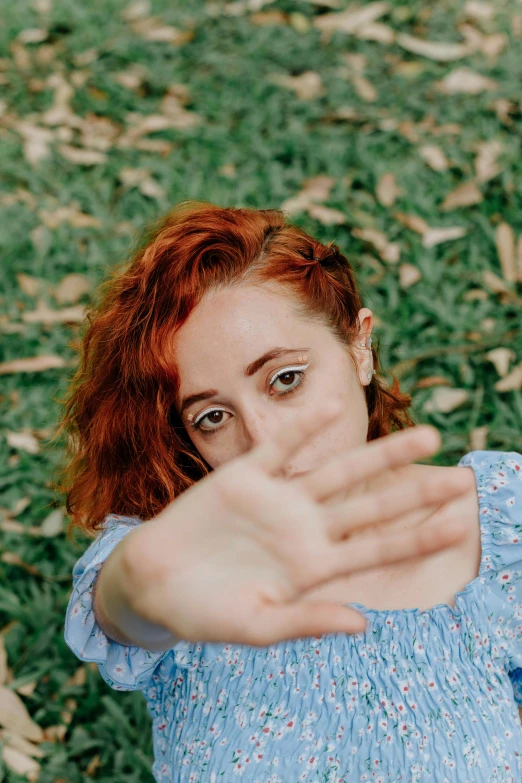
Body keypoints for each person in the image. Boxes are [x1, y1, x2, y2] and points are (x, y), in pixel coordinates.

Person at [56, 201, 522, 782]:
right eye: (213, 417)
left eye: (285, 380)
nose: (263, 442)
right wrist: (145, 584)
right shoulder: (185, 556)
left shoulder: (504, 523)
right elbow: (128, 603)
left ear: (359, 349)